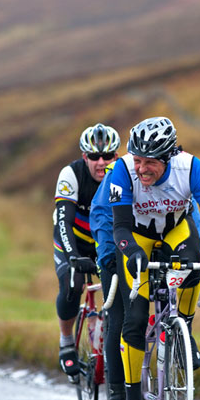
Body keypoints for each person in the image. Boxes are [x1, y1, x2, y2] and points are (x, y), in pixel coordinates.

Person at [109, 116, 200, 400]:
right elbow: (119, 227)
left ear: (168, 158)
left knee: (193, 265)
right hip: (137, 236)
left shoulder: (191, 168)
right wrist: (132, 252)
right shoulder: (121, 171)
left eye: (150, 163)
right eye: (138, 160)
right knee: (134, 321)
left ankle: (185, 331)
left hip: (176, 228)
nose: (141, 169)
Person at [90, 161, 200, 400]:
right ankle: (119, 399)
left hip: (162, 237)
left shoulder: (181, 175)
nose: (144, 166)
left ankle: (181, 334)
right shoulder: (120, 175)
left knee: (180, 276)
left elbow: (192, 216)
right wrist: (109, 258)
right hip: (118, 239)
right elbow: (105, 217)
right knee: (121, 317)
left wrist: (195, 257)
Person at [53, 123, 120, 377]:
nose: (101, 162)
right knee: (73, 284)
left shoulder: (122, 175)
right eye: (94, 156)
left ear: (117, 156)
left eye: (107, 156)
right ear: (85, 156)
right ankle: (66, 342)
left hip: (105, 241)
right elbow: (64, 222)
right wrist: (72, 256)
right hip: (74, 241)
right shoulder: (71, 174)